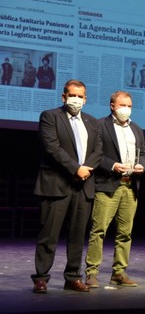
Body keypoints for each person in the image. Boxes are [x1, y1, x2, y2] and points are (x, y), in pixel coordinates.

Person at [30, 79, 103, 293]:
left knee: (77, 236)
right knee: (49, 234)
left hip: (83, 185)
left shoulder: (92, 121)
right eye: (73, 95)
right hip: (56, 184)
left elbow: (98, 151)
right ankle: (41, 278)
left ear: (86, 99)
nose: (76, 100)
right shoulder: (50, 117)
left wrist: (86, 169)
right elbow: (52, 148)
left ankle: (72, 277)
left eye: (80, 96)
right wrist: (75, 169)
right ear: (64, 97)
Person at [85, 91, 145, 288]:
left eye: (129, 106)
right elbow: (95, 154)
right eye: (122, 105)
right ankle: (91, 273)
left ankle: (119, 273)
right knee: (99, 230)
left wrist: (142, 166)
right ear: (112, 106)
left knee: (125, 233)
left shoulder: (136, 128)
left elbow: (144, 154)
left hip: (130, 186)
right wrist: (112, 166)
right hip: (108, 185)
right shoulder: (100, 125)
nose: (126, 110)